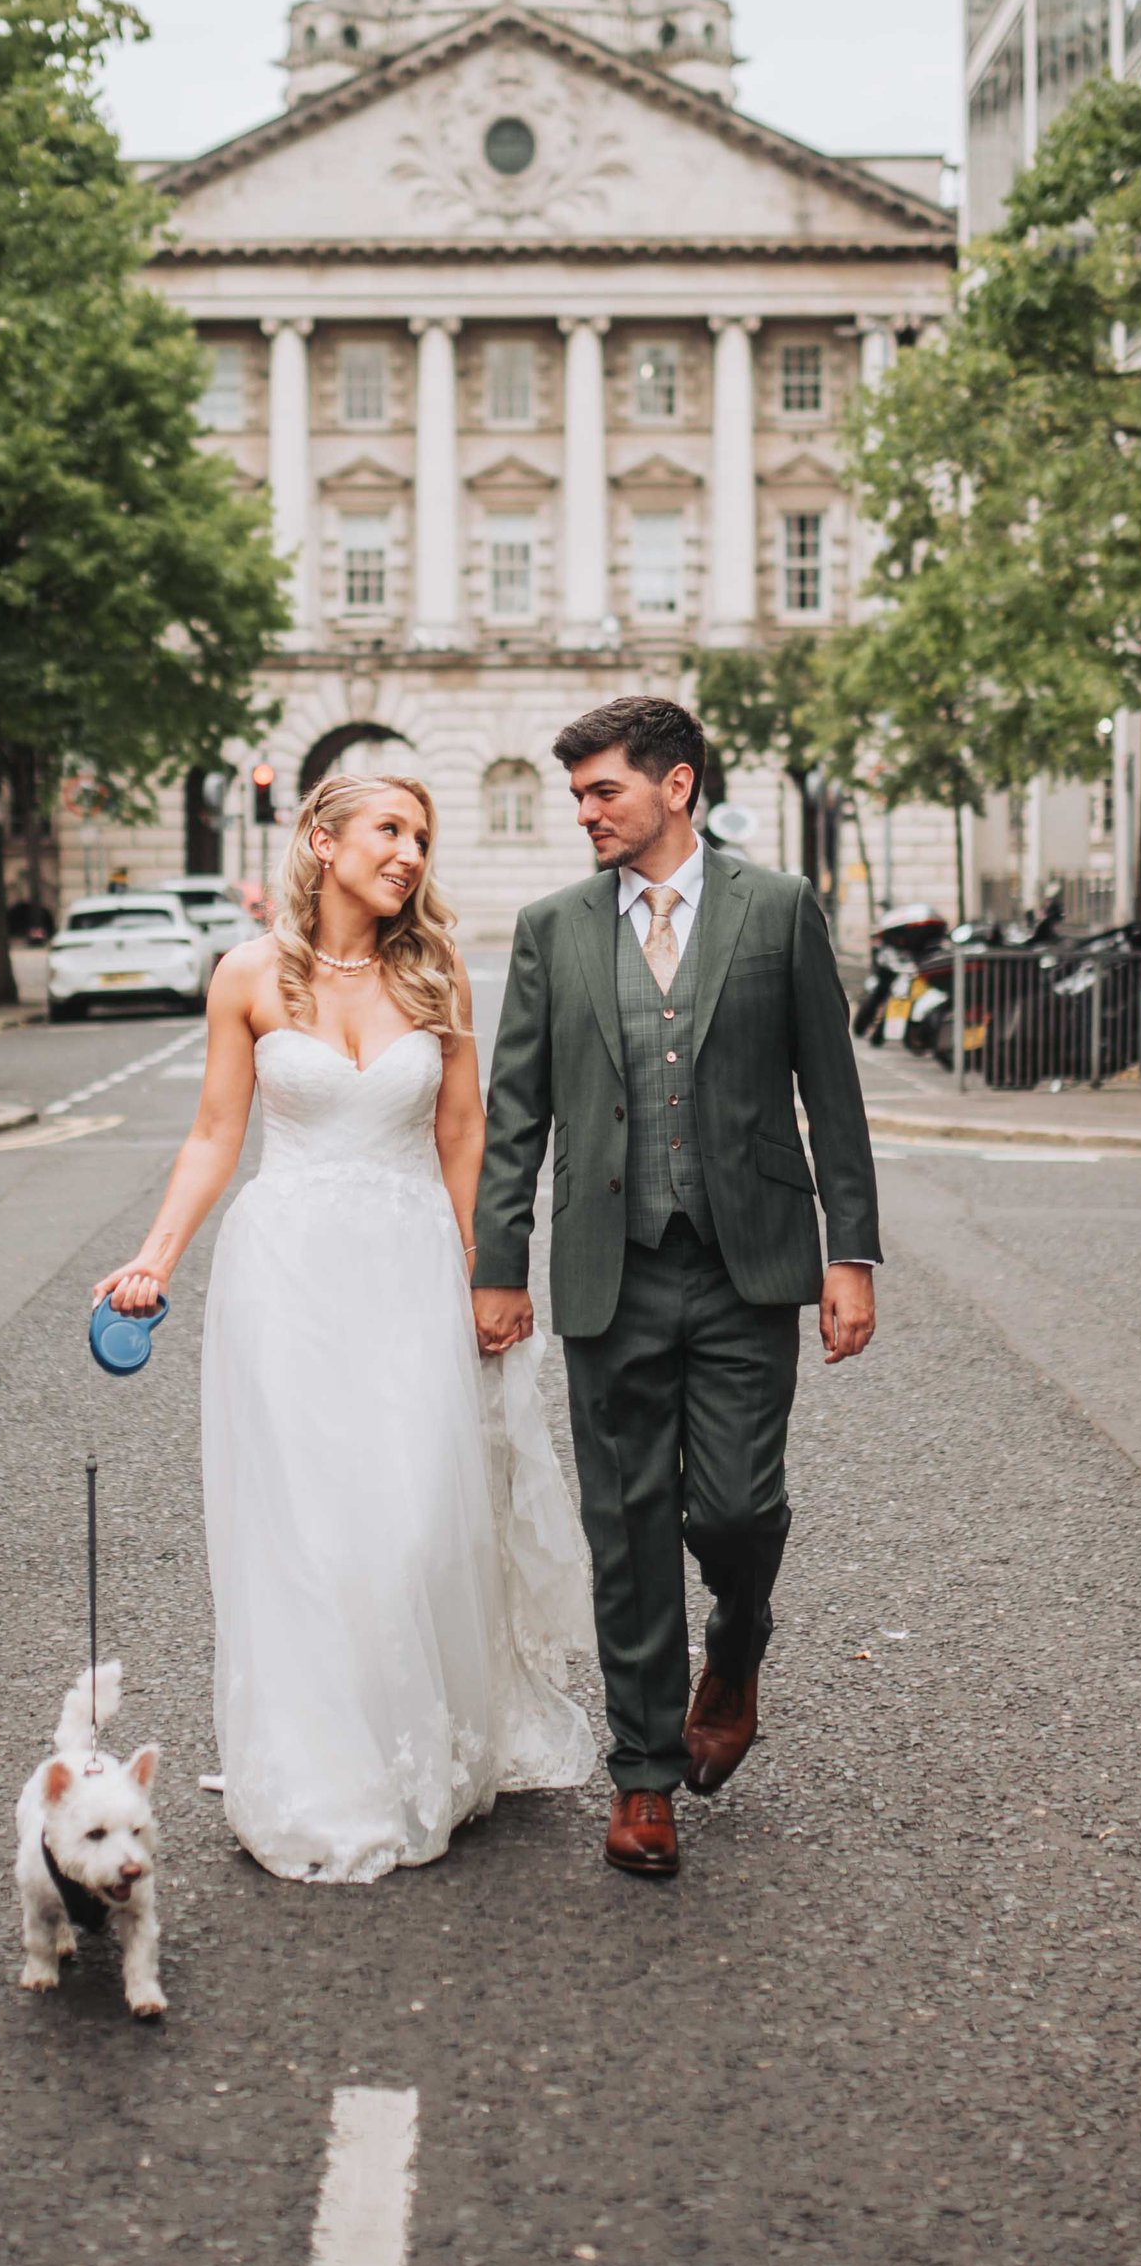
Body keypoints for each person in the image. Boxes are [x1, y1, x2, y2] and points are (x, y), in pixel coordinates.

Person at [94, 772, 592, 1884]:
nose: (411, 852)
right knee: (311, 1528)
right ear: (322, 842)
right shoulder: (247, 975)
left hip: (413, 1267)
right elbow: (215, 1135)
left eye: (421, 834)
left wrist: (488, 1273)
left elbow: (466, 1133)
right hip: (286, 1277)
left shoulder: (436, 972)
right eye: (389, 830)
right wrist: (153, 1257)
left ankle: (423, 1735)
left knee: (415, 1514)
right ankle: (325, 1768)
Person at [471, 695, 881, 1881]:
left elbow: (832, 1093)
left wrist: (847, 1255)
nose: (586, 814)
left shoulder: (776, 909)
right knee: (629, 1525)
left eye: (604, 791)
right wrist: (499, 1267)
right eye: (579, 795)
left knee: (737, 1510)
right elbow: (515, 1120)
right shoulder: (553, 929)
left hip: (747, 1258)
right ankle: (644, 1774)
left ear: (677, 786)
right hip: (611, 1267)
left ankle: (738, 1638)